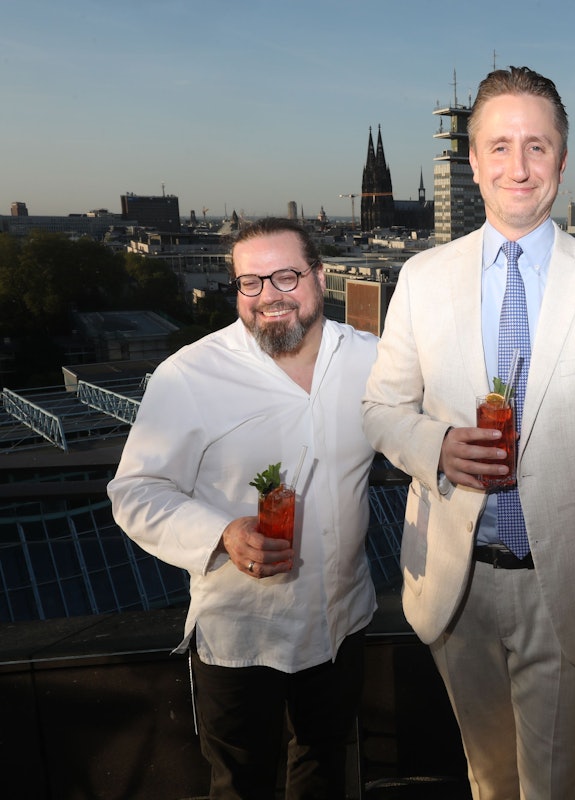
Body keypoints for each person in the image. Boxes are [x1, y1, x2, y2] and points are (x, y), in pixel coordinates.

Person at [361, 66, 575, 799]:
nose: (517, 167)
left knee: (558, 786)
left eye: (536, 146)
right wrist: (434, 446)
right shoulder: (423, 278)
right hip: (454, 586)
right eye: (498, 146)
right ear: (471, 162)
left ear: (561, 160)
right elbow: (379, 409)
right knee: (487, 778)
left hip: (568, 588)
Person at [108, 217, 378, 799]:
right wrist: (224, 532)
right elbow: (135, 491)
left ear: (321, 277)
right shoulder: (189, 374)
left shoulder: (372, 361)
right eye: (250, 282)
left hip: (341, 622)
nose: (268, 296)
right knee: (241, 785)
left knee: (326, 769)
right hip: (242, 633)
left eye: (286, 276)